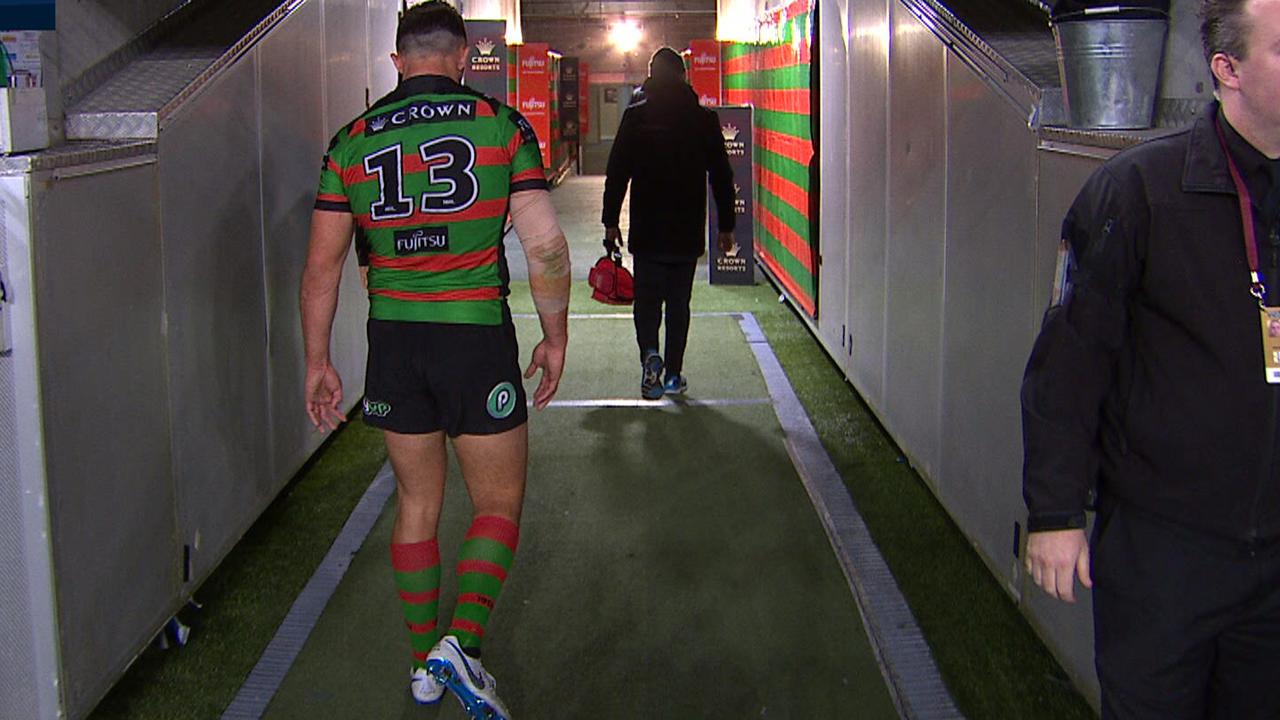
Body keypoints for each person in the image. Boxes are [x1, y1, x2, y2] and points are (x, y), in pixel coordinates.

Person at [300, 4, 570, 718]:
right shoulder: (502, 126)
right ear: (463, 58)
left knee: (418, 504)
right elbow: (544, 246)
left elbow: (322, 270)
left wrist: (318, 360)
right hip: (474, 339)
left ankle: (425, 667)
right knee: (498, 504)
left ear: (396, 62)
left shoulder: (350, 141)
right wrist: (556, 334)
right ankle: (462, 641)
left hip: (394, 341)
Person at [1021, 0, 1280, 716]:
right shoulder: (1139, 191)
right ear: (1226, 71)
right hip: (1165, 553)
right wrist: (1055, 512)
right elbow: (1070, 363)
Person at [601, 47, 736, 399]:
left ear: (651, 75)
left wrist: (610, 221)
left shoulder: (635, 117)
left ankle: (650, 356)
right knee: (679, 304)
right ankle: (674, 374)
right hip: (686, 231)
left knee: (646, 302)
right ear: (683, 75)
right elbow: (722, 175)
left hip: (647, 231)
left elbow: (617, 172)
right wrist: (726, 225)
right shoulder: (703, 119)